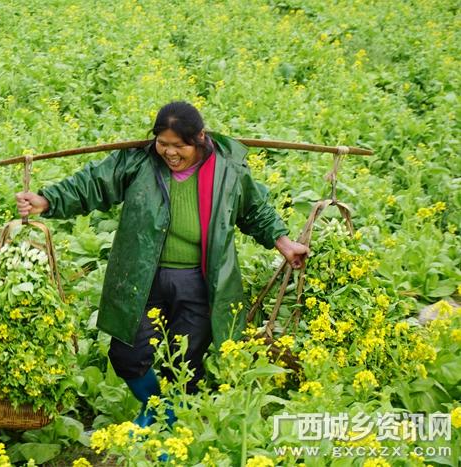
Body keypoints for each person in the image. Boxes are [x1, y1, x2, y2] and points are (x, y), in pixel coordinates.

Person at [15, 101, 308, 427]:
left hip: (199, 280)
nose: (170, 153)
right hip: (143, 275)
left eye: (179, 145)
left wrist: (284, 242)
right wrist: (47, 200)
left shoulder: (228, 169)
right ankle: (160, 409)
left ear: (199, 138)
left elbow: (254, 211)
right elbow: (93, 183)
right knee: (127, 355)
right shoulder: (138, 161)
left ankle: (170, 427)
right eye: (163, 143)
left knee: (185, 363)